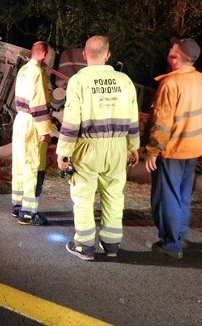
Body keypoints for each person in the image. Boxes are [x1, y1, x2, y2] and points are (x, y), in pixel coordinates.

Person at [56, 36, 140, 260]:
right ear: (108, 55)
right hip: (117, 146)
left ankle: (84, 246)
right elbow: (133, 118)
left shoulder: (78, 81)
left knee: (83, 197)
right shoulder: (124, 81)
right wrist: (133, 147)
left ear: (84, 54)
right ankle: (112, 245)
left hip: (88, 148)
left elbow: (71, 120)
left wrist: (63, 152)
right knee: (113, 195)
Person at [144, 38, 202, 260]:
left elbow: (162, 122)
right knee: (182, 195)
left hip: (173, 148)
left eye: (172, 49)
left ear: (177, 57)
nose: (169, 50)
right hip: (193, 148)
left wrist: (153, 150)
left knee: (166, 198)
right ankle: (179, 236)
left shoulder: (171, 84)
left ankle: (171, 244)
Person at [11, 40, 54, 225]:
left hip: (20, 119)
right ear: (44, 54)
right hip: (33, 122)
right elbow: (38, 104)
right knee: (33, 167)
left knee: (20, 165)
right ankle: (28, 214)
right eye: (51, 54)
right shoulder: (37, 72)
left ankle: (17, 207)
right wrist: (45, 130)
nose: (51, 58)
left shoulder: (24, 69)